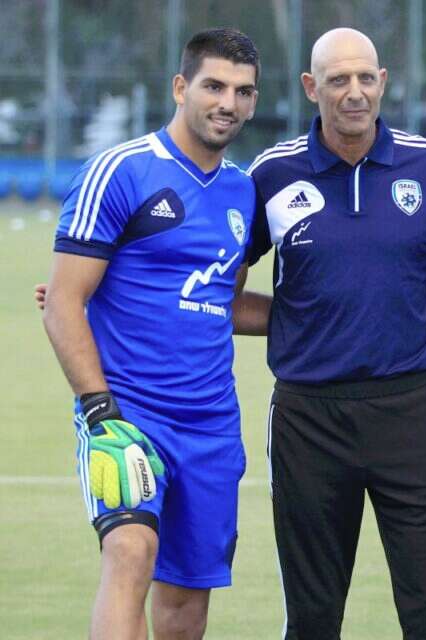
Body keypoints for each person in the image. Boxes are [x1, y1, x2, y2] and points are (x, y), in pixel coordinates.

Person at [41, 28, 262, 639]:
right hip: (127, 414)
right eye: (214, 86)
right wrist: (99, 411)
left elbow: (222, 302)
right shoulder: (122, 171)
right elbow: (63, 301)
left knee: (185, 614)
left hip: (211, 427)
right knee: (130, 552)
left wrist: (332, 317)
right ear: (180, 87)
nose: (228, 103)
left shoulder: (244, 191)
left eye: (243, 92)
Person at [243, 28, 426, 639]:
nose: (355, 92)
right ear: (311, 87)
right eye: (338, 80)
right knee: (312, 619)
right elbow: (217, 289)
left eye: (366, 77)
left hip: (411, 413)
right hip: (308, 420)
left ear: (383, 82)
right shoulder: (272, 174)